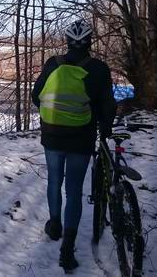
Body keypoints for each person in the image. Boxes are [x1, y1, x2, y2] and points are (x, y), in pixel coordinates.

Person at [31, 19, 116, 273]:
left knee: (54, 181)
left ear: (67, 41)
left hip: (53, 134)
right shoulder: (99, 69)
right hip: (81, 137)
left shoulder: (53, 64)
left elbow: (36, 96)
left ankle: (54, 225)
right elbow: (107, 105)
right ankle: (67, 249)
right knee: (75, 189)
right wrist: (106, 126)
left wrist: (53, 114)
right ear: (90, 42)